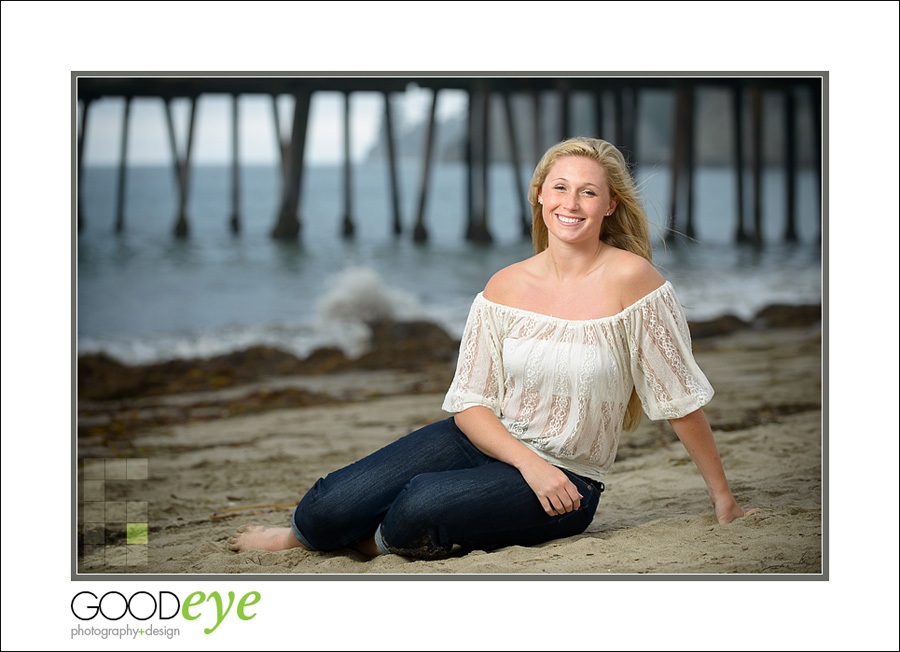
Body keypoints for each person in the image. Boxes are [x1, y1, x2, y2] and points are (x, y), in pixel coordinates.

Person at [229, 137, 758, 560]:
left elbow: (679, 397)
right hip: (485, 441)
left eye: (588, 192)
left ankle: (373, 541)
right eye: (560, 187)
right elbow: (471, 403)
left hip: (568, 482)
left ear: (610, 204)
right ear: (540, 196)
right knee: (327, 508)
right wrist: (527, 462)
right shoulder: (505, 285)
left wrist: (722, 498)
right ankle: (305, 537)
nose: (571, 204)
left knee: (416, 509)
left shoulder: (634, 282)